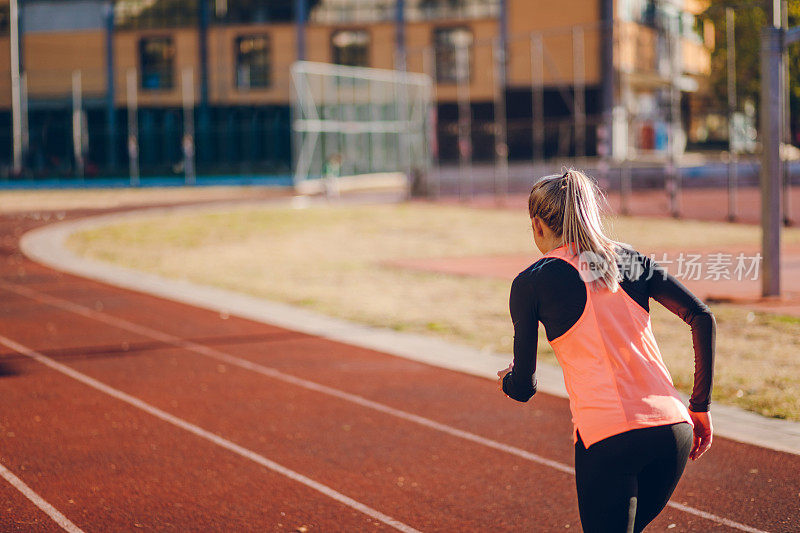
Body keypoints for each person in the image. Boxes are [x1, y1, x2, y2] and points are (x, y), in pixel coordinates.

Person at [497, 169, 715, 533]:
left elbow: (523, 387)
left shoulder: (531, 281)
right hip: (672, 430)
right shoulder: (627, 258)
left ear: (537, 225)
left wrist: (508, 379)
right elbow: (702, 316)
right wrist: (700, 407)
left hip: (609, 437)